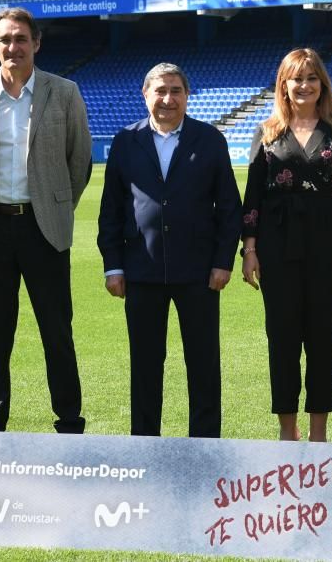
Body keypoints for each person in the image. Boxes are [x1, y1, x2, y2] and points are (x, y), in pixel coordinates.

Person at [0, 7, 92, 433]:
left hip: (43, 228)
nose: (13, 47)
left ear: (36, 43)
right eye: (5, 40)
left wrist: (54, 206)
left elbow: (80, 160)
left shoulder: (64, 92)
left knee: (57, 333)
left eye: (21, 39)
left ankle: (69, 422)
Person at [97, 62, 241, 438]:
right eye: (159, 90)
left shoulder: (209, 140)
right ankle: (145, 447)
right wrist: (113, 266)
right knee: (145, 367)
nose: (167, 98)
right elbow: (111, 209)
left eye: (175, 90)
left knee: (204, 366)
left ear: (187, 96)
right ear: (145, 95)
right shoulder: (126, 141)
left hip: (199, 273)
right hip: (141, 271)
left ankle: (206, 447)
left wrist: (223, 261)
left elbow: (229, 207)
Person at [241, 48, 332, 443]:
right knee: (282, 339)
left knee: (322, 338)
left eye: (312, 78)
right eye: (297, 78)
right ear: (284, 84)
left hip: (327, 246)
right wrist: (250, 250)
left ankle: (319, 434)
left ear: (322, 84)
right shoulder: (266, 132)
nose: (304, 85)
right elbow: (253, 197)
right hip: (277, 248)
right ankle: (286, 431)